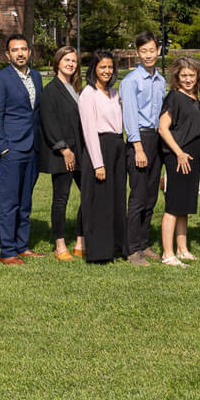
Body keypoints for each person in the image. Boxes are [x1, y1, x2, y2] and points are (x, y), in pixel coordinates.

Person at [0, 34, 44, 265]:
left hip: (33, 148)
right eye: (15, 50)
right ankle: (7, 250)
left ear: (29, 52)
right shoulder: (0, 79)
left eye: (23, 49)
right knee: (9, 201)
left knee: (25, 200)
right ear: (7, 54)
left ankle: (22, 245)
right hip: (12, 149)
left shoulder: (37, 78)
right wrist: (3, 148)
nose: (20, 53)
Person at [121, 31, 167, 266]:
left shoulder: (161, 80)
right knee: (138, 196)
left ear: (158, 51)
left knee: (150, 197)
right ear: (137, 53)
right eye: (143, 51)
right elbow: (129, 116)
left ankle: (143, 243)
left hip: (157, 140)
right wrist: (137, 147)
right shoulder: (131, 81)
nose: (148, 55)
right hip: (140, 140)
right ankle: (131, 249)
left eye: (152, 50)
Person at [79, 52, 129, 264]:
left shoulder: (113, 93)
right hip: (99, 148)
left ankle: (116, 246)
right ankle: (100, 252)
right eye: (102, 67)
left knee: (116, 199)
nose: (107, 71)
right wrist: (98, 163)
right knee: (99, 201)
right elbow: (89, 131)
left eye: (110, 67)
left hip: (117, 147)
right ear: (94, 69)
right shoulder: (88, 94)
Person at [159, 56, 200, 266]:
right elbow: (163, 128)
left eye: (192, 75)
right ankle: (167, 253)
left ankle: (182, 249)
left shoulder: (196, 97)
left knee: (185, 205)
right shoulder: (174, 98)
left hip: (193, 157)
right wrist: (179, 152)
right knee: (173, 205)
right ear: (177, 77)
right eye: (184, 75)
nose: (188, 79)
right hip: (178, 157)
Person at [38, 47, 86, 261]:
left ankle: (80, 241)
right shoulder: (50, 91)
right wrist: (64, 149)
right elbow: (49, 124)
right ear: (58, 62)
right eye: (67, 60)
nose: (70, 64)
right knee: (61, 198)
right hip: (62, 153)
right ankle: (59, 246)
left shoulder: (76, 88)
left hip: (81, 151)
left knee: (89, 195)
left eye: (74, 61)